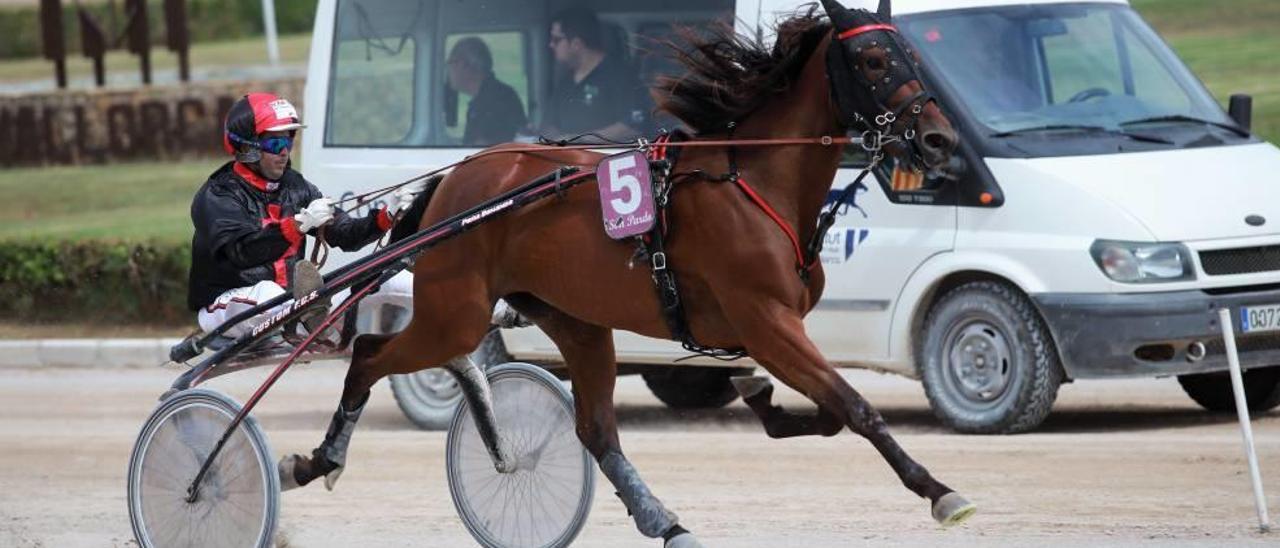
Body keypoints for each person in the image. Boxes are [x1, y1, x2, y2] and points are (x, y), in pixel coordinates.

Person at [188, 92, 425, 340]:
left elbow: (345, 235)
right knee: (269, 293)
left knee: (390, 278)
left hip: (295, 305)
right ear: (248, 147)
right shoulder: (218, 195)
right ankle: (308, 315)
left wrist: (386, 215)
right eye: (275, 144)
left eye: (288, 142)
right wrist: (298, 225)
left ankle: (457, 307)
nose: (284, 152)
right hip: (228, 308)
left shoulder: (297, 186)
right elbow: (241, 252)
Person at [541, 5, 649, 141]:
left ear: (576, 44)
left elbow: (632, 127)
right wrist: (552, 140)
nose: (551, 45)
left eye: (556, 40)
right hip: (565, 160)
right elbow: (549, 124)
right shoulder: (564, 83)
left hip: (609, 159)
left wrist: (579, 140)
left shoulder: (621, 76)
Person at [446, 37, 527, 146]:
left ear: (465, 65)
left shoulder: (497, 100)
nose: (449, 70)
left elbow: (485, 146)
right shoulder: (486, 98)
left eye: (451, 62)